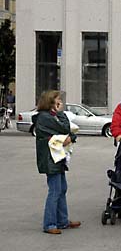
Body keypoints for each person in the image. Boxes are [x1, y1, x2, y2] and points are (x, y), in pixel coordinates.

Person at [34, 90, 80, 234]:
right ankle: (50, 224)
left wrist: (70, 137)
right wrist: (61, 113)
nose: (60, 102)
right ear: (51, 102)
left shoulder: (50, 116)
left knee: (62, 188)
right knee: (55, 190)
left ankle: (62, 220)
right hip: (50, 159)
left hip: (57, 158)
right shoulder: (45, 117)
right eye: (58, 100)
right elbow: (65, 128)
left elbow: (69, 133)